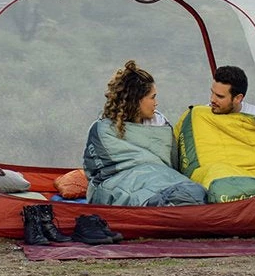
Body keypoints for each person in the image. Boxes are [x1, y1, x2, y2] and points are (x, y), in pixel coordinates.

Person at [83, 60, 206, 207]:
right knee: (164, 198)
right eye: (152, 97)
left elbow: (169, 165)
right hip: (122, 179)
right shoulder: (103, 130)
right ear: (136, 100)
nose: (156, 103)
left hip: (161, 176)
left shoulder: (160, 125)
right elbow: (100, 172)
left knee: (193, 192)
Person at [175, 64, 255, 204]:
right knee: (217, 175)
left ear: (238, 98)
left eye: (219, 96)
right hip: (214, 175)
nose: (212, 100)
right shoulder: (197, 115)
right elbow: (174, 149)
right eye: (212, 92)